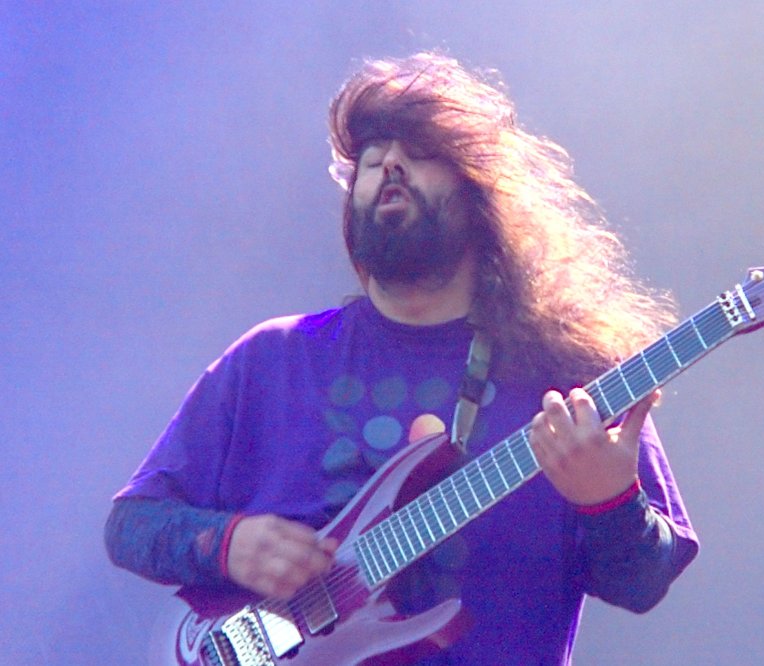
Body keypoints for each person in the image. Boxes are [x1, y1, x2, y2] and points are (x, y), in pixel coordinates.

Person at [105, 51, 699, 665]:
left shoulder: (568, 380)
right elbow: (131, 525)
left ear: (476, 190)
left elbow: (643, 583)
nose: (390, 163)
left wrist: (609, 500)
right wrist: (227, 544)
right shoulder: (274, 358)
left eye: (418, 151)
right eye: (371, 159)